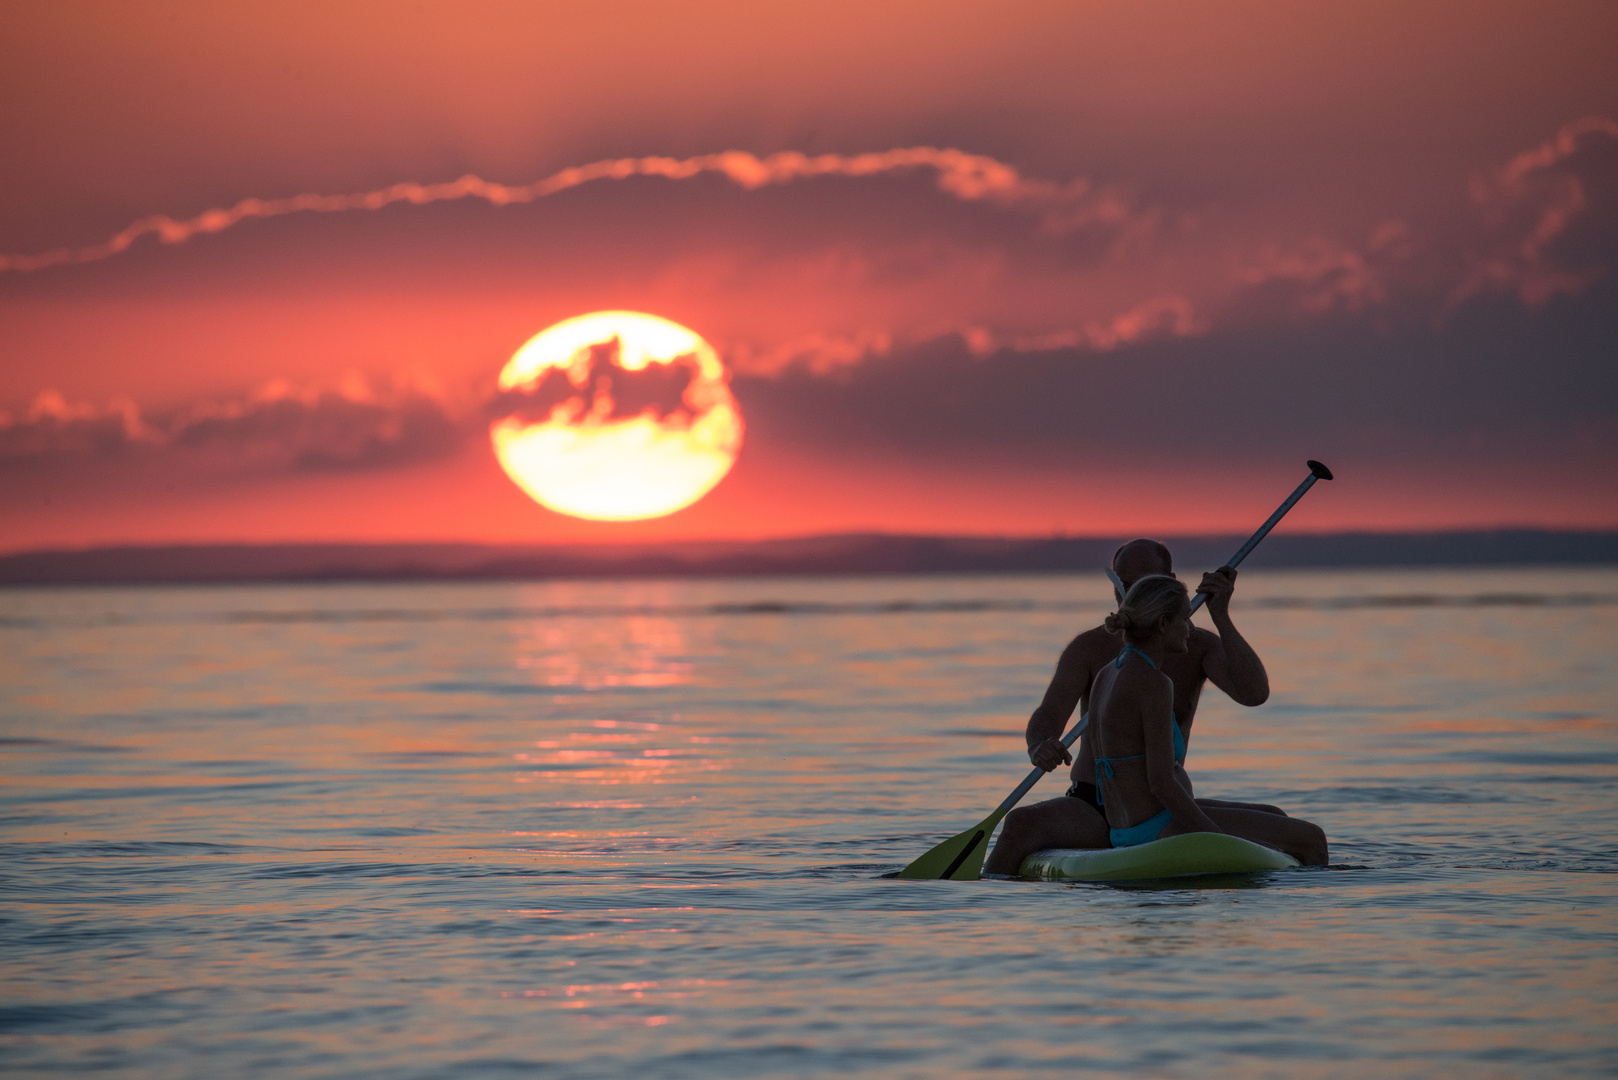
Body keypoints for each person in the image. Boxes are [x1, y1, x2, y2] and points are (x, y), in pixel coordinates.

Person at [983, 538, 1313, 875]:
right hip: (1094, 804)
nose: (1130, 594)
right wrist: (1040, 745)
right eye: (1124, 584)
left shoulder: (1194, 645)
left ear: (1169, 582)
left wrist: (1221, 616)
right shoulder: (1090, 648)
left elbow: (1254, 693)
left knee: (1275, 818)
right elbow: (1047, 716)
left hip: (1162, 804)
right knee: (1020, 824)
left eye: (1143, 583)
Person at [1074, 574, 1327, 862]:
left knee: (1273, 815)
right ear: (1163, 624)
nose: (1191, 628)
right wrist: (1216, 838)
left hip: (1126, 826)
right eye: (1185, 619)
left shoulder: (1109, 672)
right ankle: (1316, 902)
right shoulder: (1153, 682)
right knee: (1312, 839)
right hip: (1154, 828)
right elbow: (1161, 782)